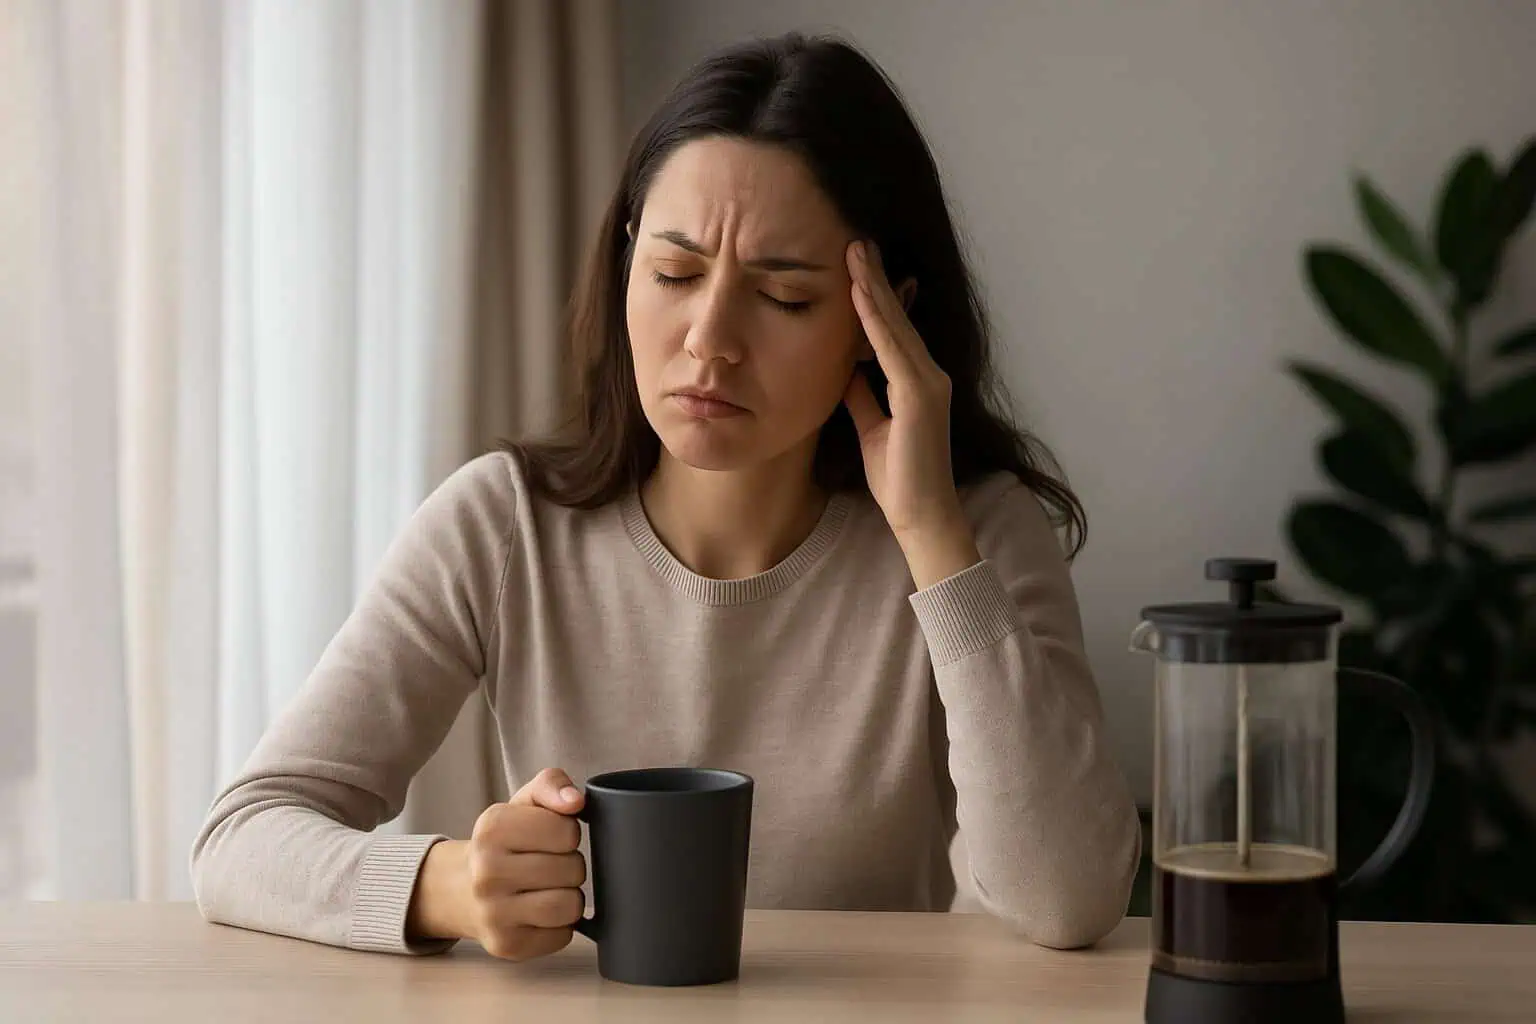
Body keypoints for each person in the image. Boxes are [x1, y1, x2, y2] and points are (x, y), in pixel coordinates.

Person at [190, 31, 1140, 963]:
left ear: (878, 320)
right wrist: (449, 887)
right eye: (675, 274)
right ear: (627, 263)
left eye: (786, 297)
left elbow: (1068, 897)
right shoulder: (503, 524)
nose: (708, 340)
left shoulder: (975, 532)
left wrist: (933, 536)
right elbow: (242, 839)